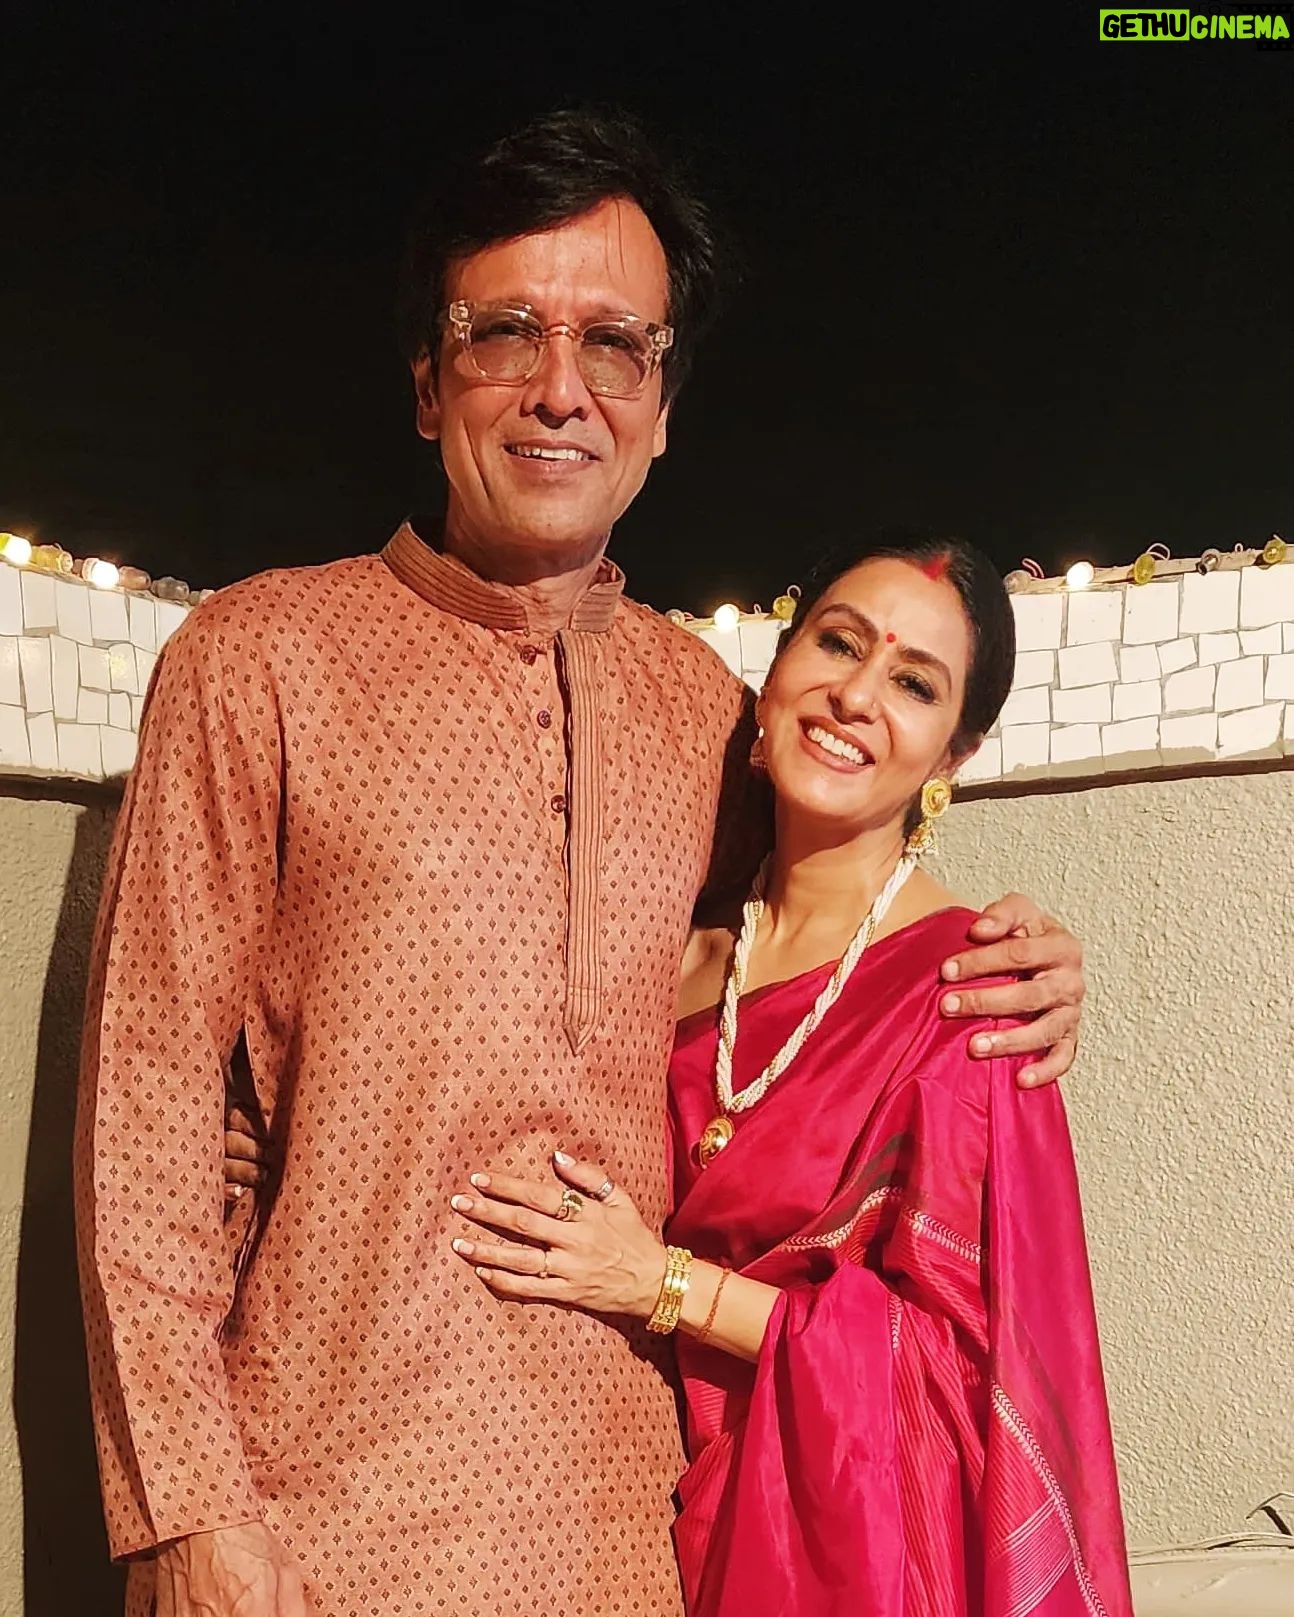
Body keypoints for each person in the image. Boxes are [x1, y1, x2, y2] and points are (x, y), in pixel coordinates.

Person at [76, 111, 1088, 1617]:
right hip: (316, 1520)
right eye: (505, 334)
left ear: (662, 408)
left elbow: (829, 940)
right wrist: (188, 1516)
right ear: (427, 383)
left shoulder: (705, 716)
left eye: (615, 345)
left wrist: (1029, 965)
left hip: (638, 1532)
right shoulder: (258, 659)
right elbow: (148, 1113)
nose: (561, 388)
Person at [447, 534, 1132, 1616]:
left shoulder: (972, 998)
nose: (856, 696)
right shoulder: (669, 951)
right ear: (776, 670)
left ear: (953, 756)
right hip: (615, 1513)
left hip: (847, 1551)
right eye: (839, 644)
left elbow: (966, 1374)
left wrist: (662, 1284)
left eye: (913, 684)